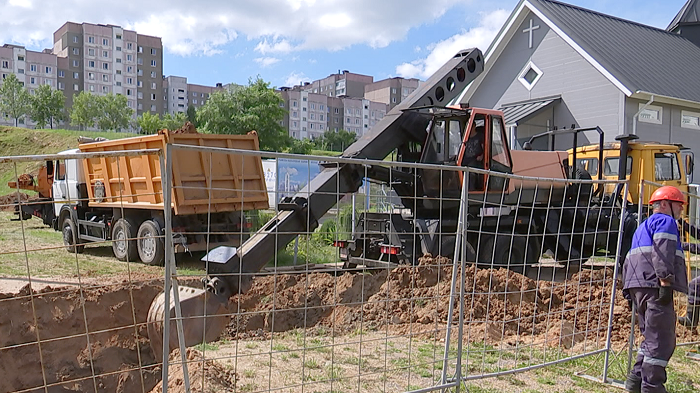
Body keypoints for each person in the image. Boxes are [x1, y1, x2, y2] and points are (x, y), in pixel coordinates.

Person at [623, 186, 689, 393]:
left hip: (639, 286)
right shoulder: (666, 221)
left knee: (650, 338)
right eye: (678, 205)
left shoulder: (643, 226)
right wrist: (666, 283)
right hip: (654, 286)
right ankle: (652, 387)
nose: (680, 210)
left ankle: (635, 382)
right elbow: (663, 252)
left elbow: (630, 258)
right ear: (664, 204)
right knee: (661, 341)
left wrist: (629, 291)